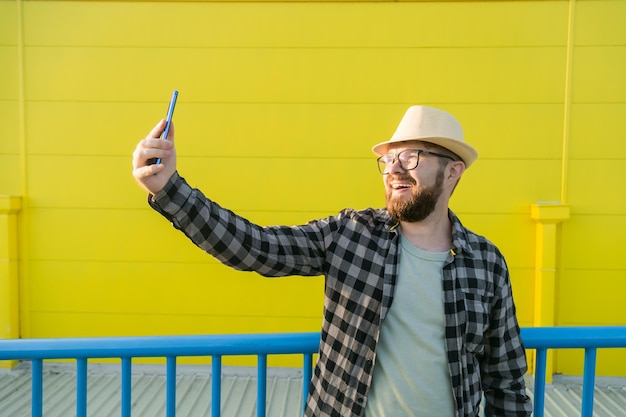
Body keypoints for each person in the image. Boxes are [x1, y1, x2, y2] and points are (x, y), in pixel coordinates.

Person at [132, 105, 532, 417]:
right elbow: (256, 247)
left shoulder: (486, 263)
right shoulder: (351, 235)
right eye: (388, 160)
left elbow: (506, 381)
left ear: (452, 172)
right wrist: (170, 190)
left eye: (410, 157)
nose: (393, 169)